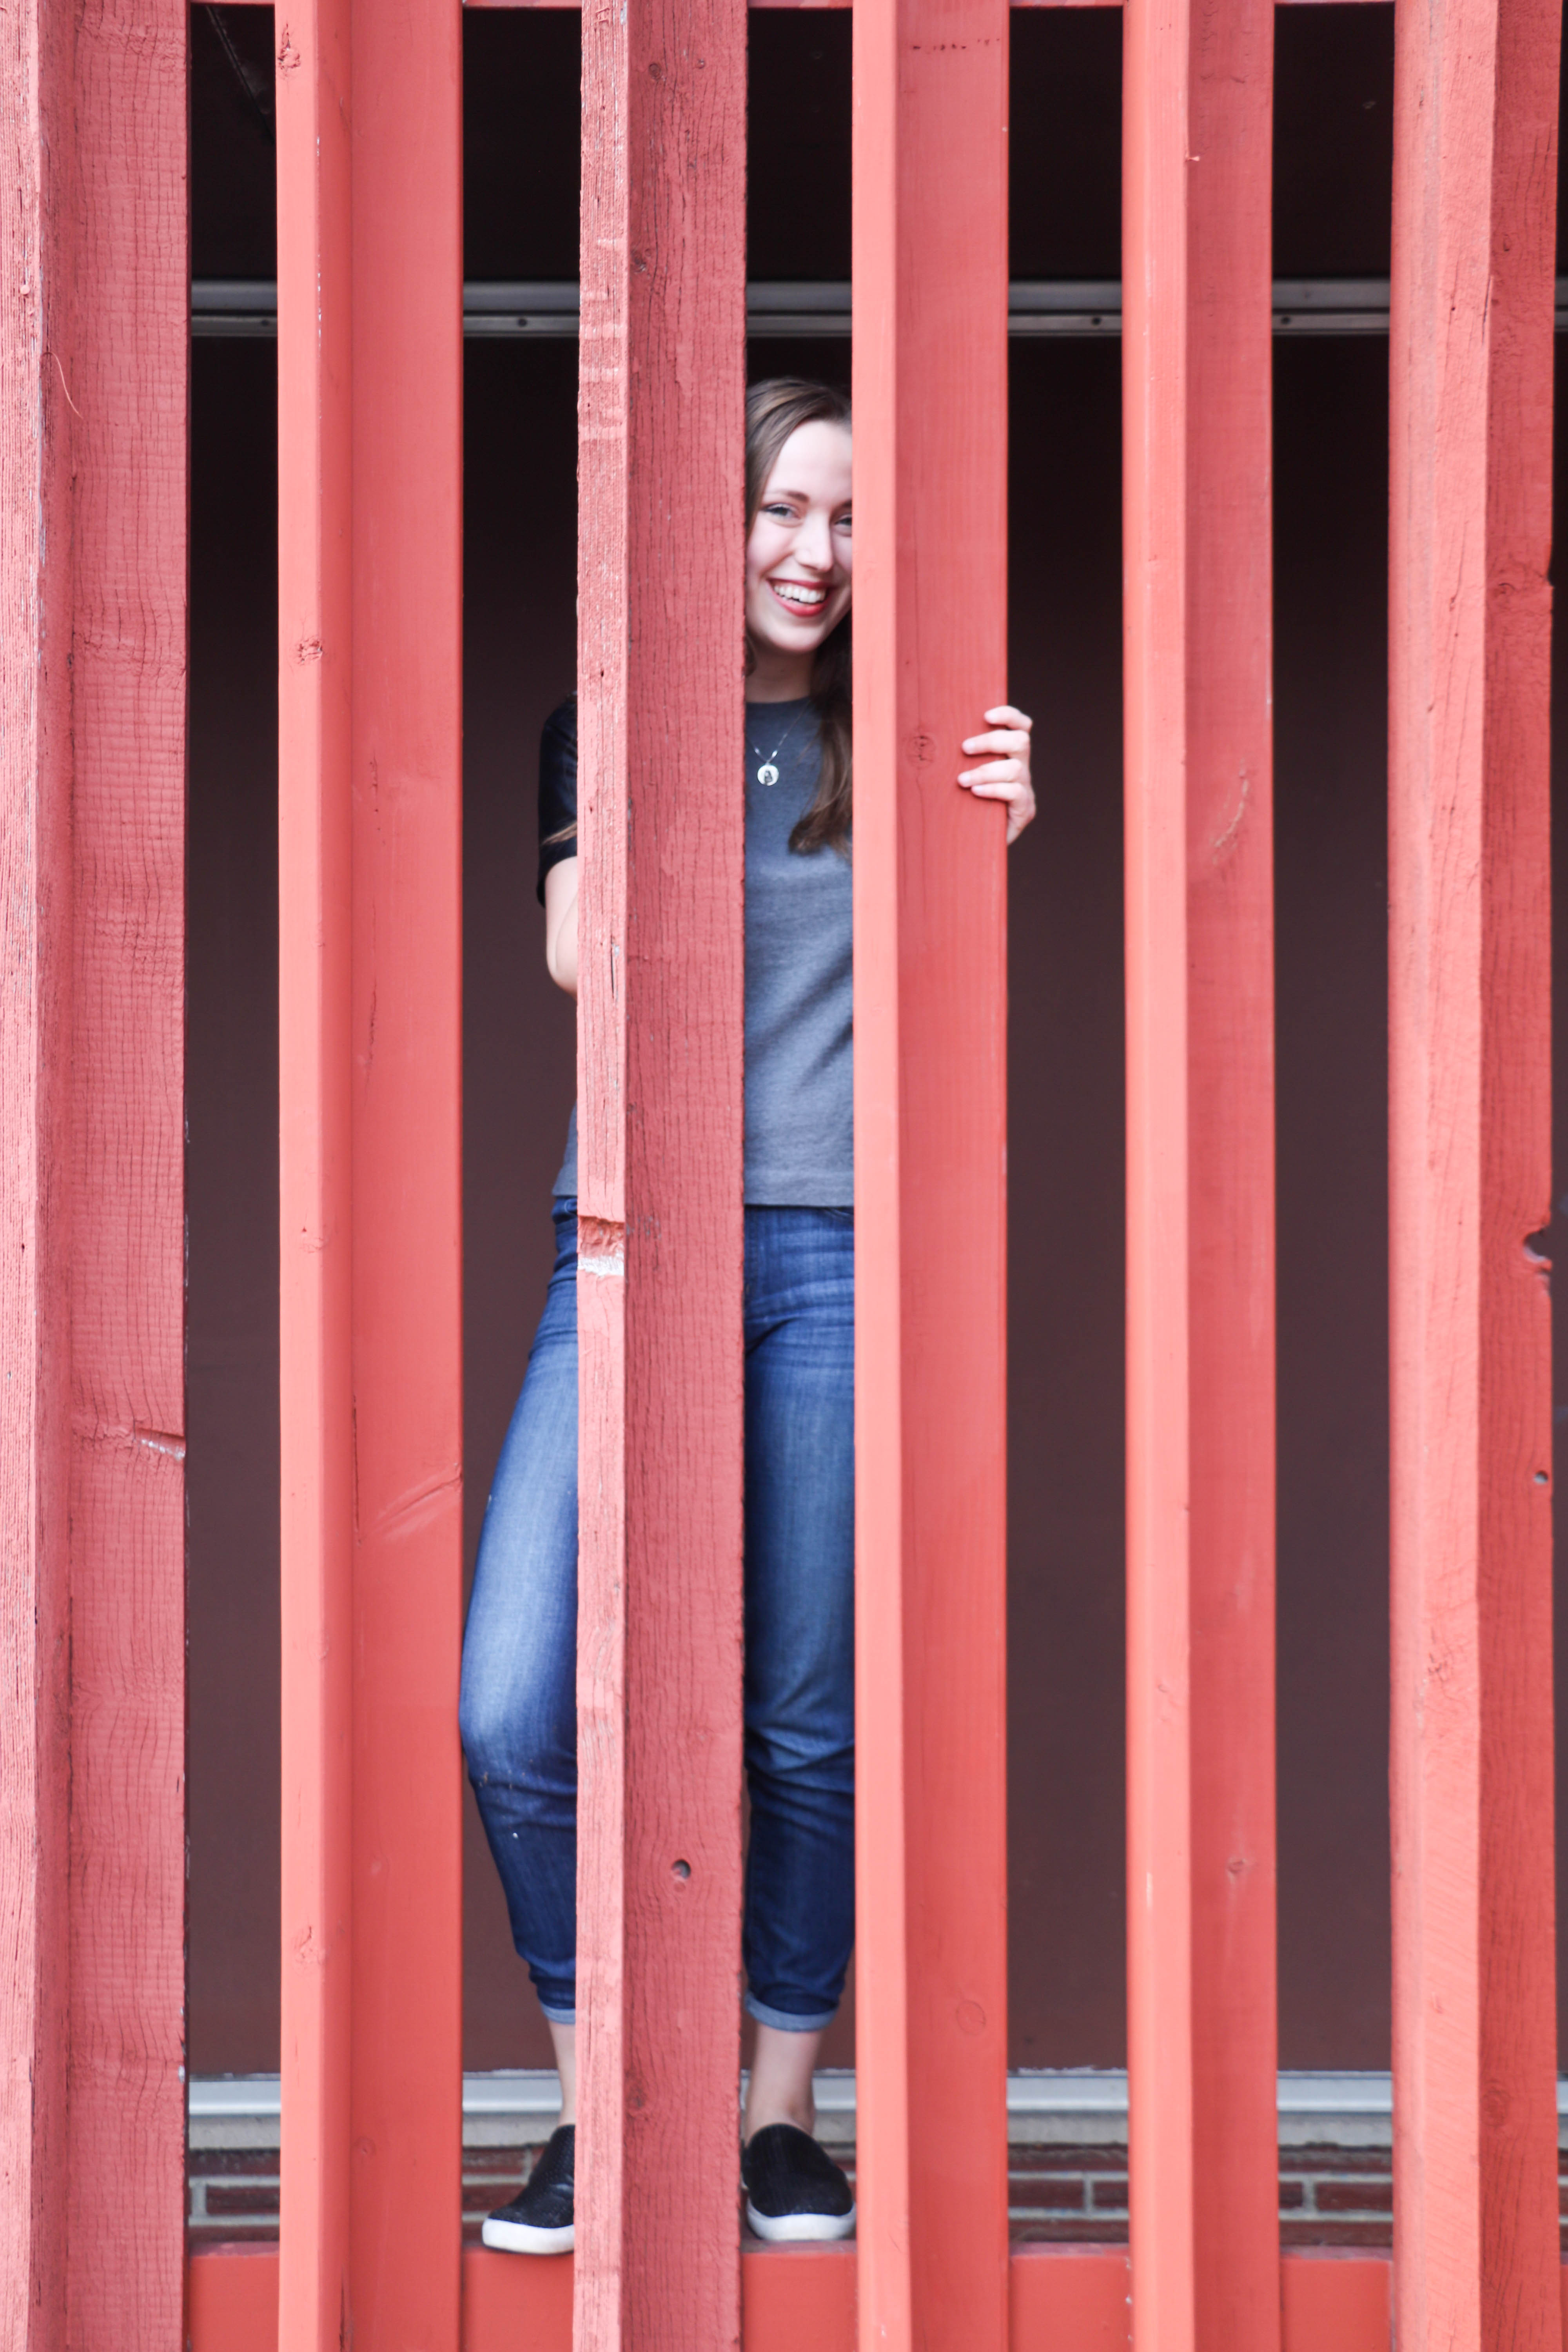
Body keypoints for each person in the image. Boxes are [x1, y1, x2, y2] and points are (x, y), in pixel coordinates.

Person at [459, 377, 1036, 2254]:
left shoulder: (910, 738)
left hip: (832, 1251)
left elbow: (953, 963)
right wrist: (662, 741)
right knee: (511, 1702)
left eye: (850, 519)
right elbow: (578, 953)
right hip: (631, 1238)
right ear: (715, 524)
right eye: (784, 509)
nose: (815, 551)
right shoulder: (606, 726)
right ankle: (593, 2101)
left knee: (799, 1716)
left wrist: (998, 815)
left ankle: (776, 2117)